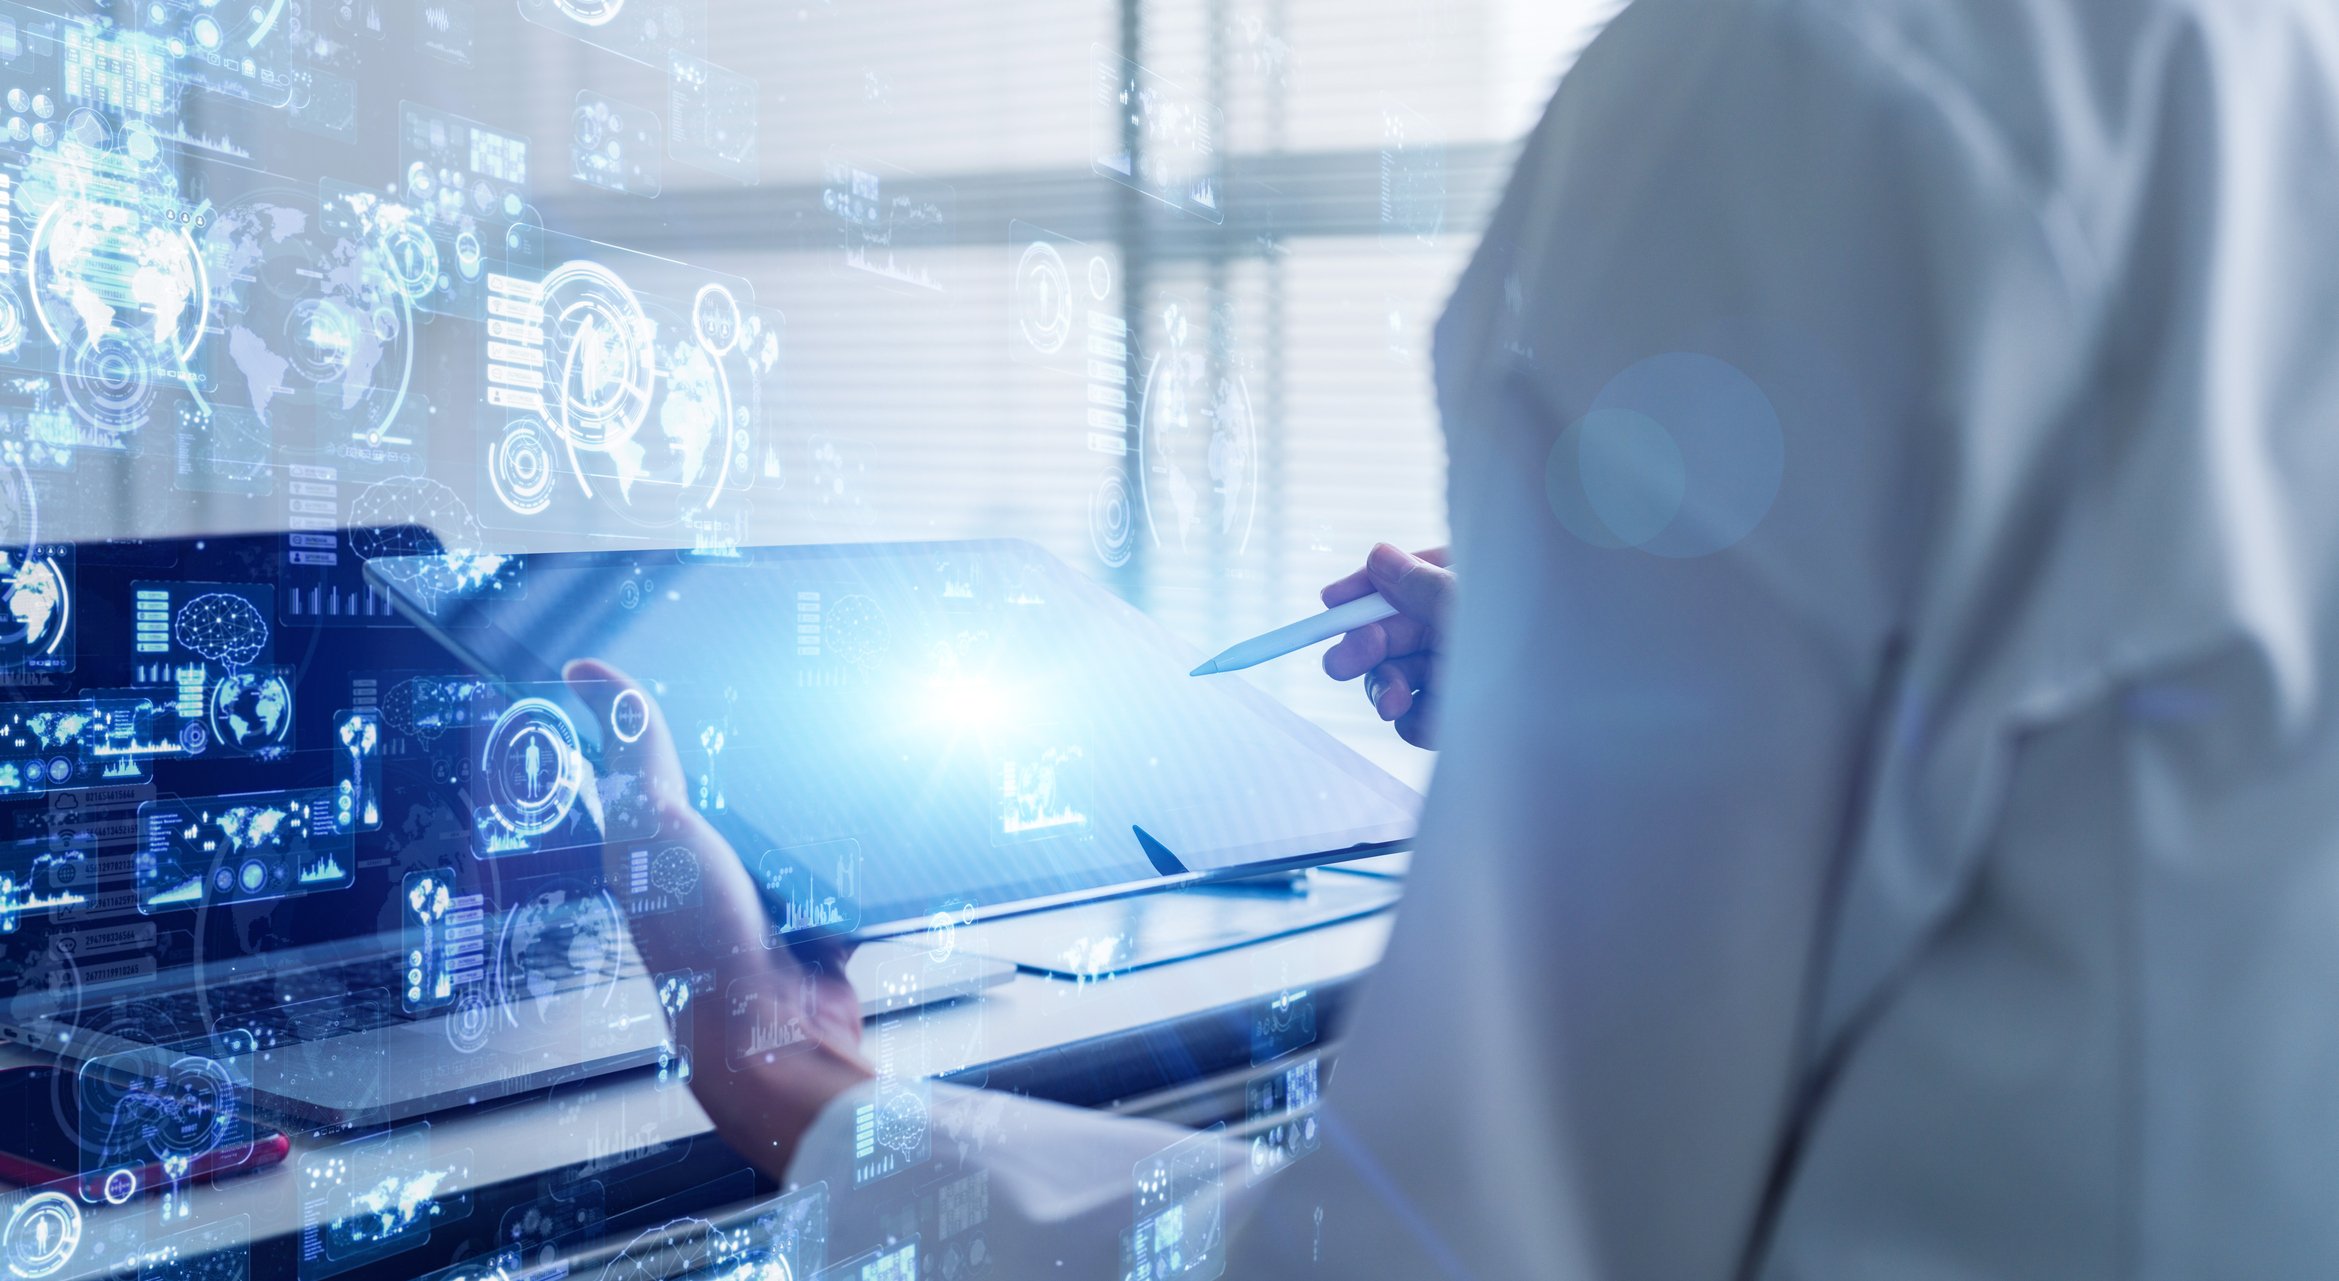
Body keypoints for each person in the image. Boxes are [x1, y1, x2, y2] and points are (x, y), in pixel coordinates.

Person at [575, 0, 2339, 1271]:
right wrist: (1614, 705)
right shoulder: (2252, 63)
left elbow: (1435, 1258)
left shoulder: (1781, 93)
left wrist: (779, 1072)